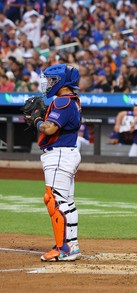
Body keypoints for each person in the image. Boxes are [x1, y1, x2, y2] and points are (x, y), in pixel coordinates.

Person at [26, 64, 82, 261]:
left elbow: (49, 129)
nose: (48, 83)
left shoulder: (62, 102)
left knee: (55, 200)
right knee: (67, 202)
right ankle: (71, 245)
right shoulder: (71, 100)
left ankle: (63, 249)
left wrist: (36, 121)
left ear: (62, 83)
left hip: (59, 154)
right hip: (66, 153)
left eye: (51, 80)